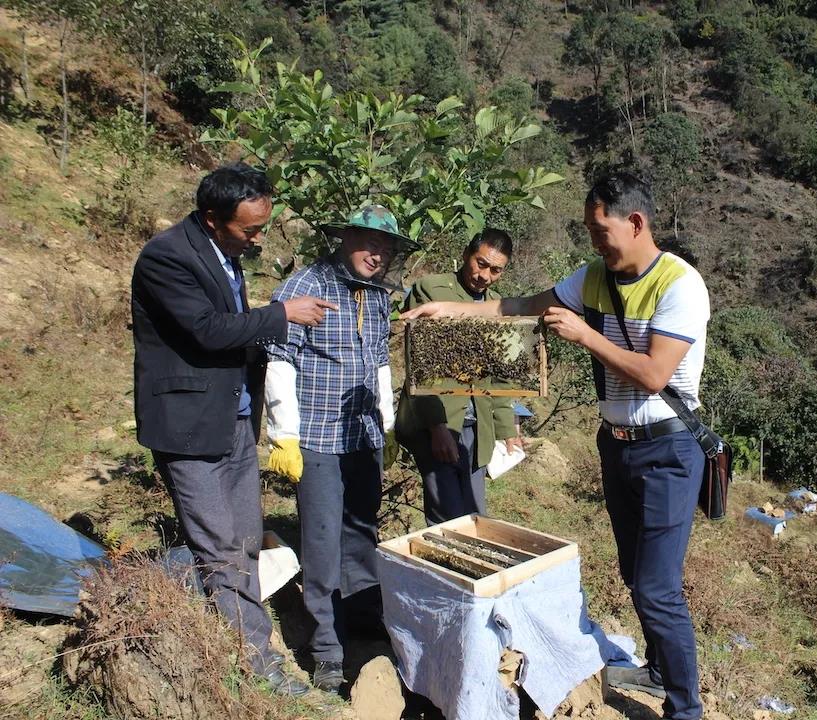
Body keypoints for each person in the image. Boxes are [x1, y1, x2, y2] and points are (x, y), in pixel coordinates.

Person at [402, 173, 710, 720]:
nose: (594, 241)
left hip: (667, 448)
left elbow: (657, 374)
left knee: (659, 587)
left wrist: (586, 335)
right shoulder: (595, 276)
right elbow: (520, 305)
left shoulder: (680, 285)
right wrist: (450, 312)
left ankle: (686, 709)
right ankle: (660, 670)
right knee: (635, 573)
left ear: (635, 223)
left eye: (600, 230)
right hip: (616, 446)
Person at [131, 162, 334, 696]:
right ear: (212, 219)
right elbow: (206, 329)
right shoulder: (166, 257)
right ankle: (253, 659)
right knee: (220, 545)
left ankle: (222, 621)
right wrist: (280, 315)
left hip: (234, 420)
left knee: (244, 539)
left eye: (263, 227)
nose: (258, 239)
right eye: (250, 230)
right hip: (190, 429)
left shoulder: (224, 255)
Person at [263, 205, 415, 693]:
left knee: (361, 534)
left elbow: (379, 365)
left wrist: (387, 426)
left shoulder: (378, 297)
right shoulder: (304, 286)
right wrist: (284, 433)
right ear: (345, 238)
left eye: (387, 247)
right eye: (370, 242)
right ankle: (327, 647)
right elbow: (279, 359)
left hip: (363, 436)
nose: (379, 253)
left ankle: (365, 627)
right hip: (318, 440)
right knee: (323, 543)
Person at [396, 229, 523, 526]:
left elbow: (499, 374)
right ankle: (444, 569)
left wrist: (507, 429)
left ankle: (469, 569)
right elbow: (421, 363)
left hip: (478, 426)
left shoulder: (497, 304)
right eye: (481, 264)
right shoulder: (432, 290)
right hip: (439, 421)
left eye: (495, 270)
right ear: (467, 254)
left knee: (475, 514)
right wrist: (436, 427)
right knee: (448, 518)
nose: (485, 276)